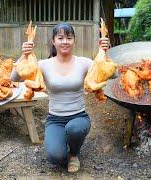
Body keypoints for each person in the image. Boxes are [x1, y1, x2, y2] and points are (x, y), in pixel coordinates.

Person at [11, 23, 110, 173]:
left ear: (74, 41)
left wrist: (105, 52)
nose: (65, 41)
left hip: (79, 116)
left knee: (74, 129)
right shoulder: (44, 65)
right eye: (60, 38)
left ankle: (74, 154)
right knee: (55, 157)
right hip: (55, 119)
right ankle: (62, 147)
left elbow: (112, 74)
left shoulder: (84, 63)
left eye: (69, 38)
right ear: (53, 41)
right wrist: (24, 55)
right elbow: (15, 77)